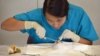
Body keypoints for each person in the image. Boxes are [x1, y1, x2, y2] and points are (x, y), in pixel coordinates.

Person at [1, 0, 98, 45]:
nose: (55, 25)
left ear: (67, 13)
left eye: (59, 20)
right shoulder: (37, 15)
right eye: (50, 21)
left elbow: (89, 43)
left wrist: (75, 37)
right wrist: (31, 24)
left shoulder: (78, 14)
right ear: (43, 13)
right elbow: (4, 25)